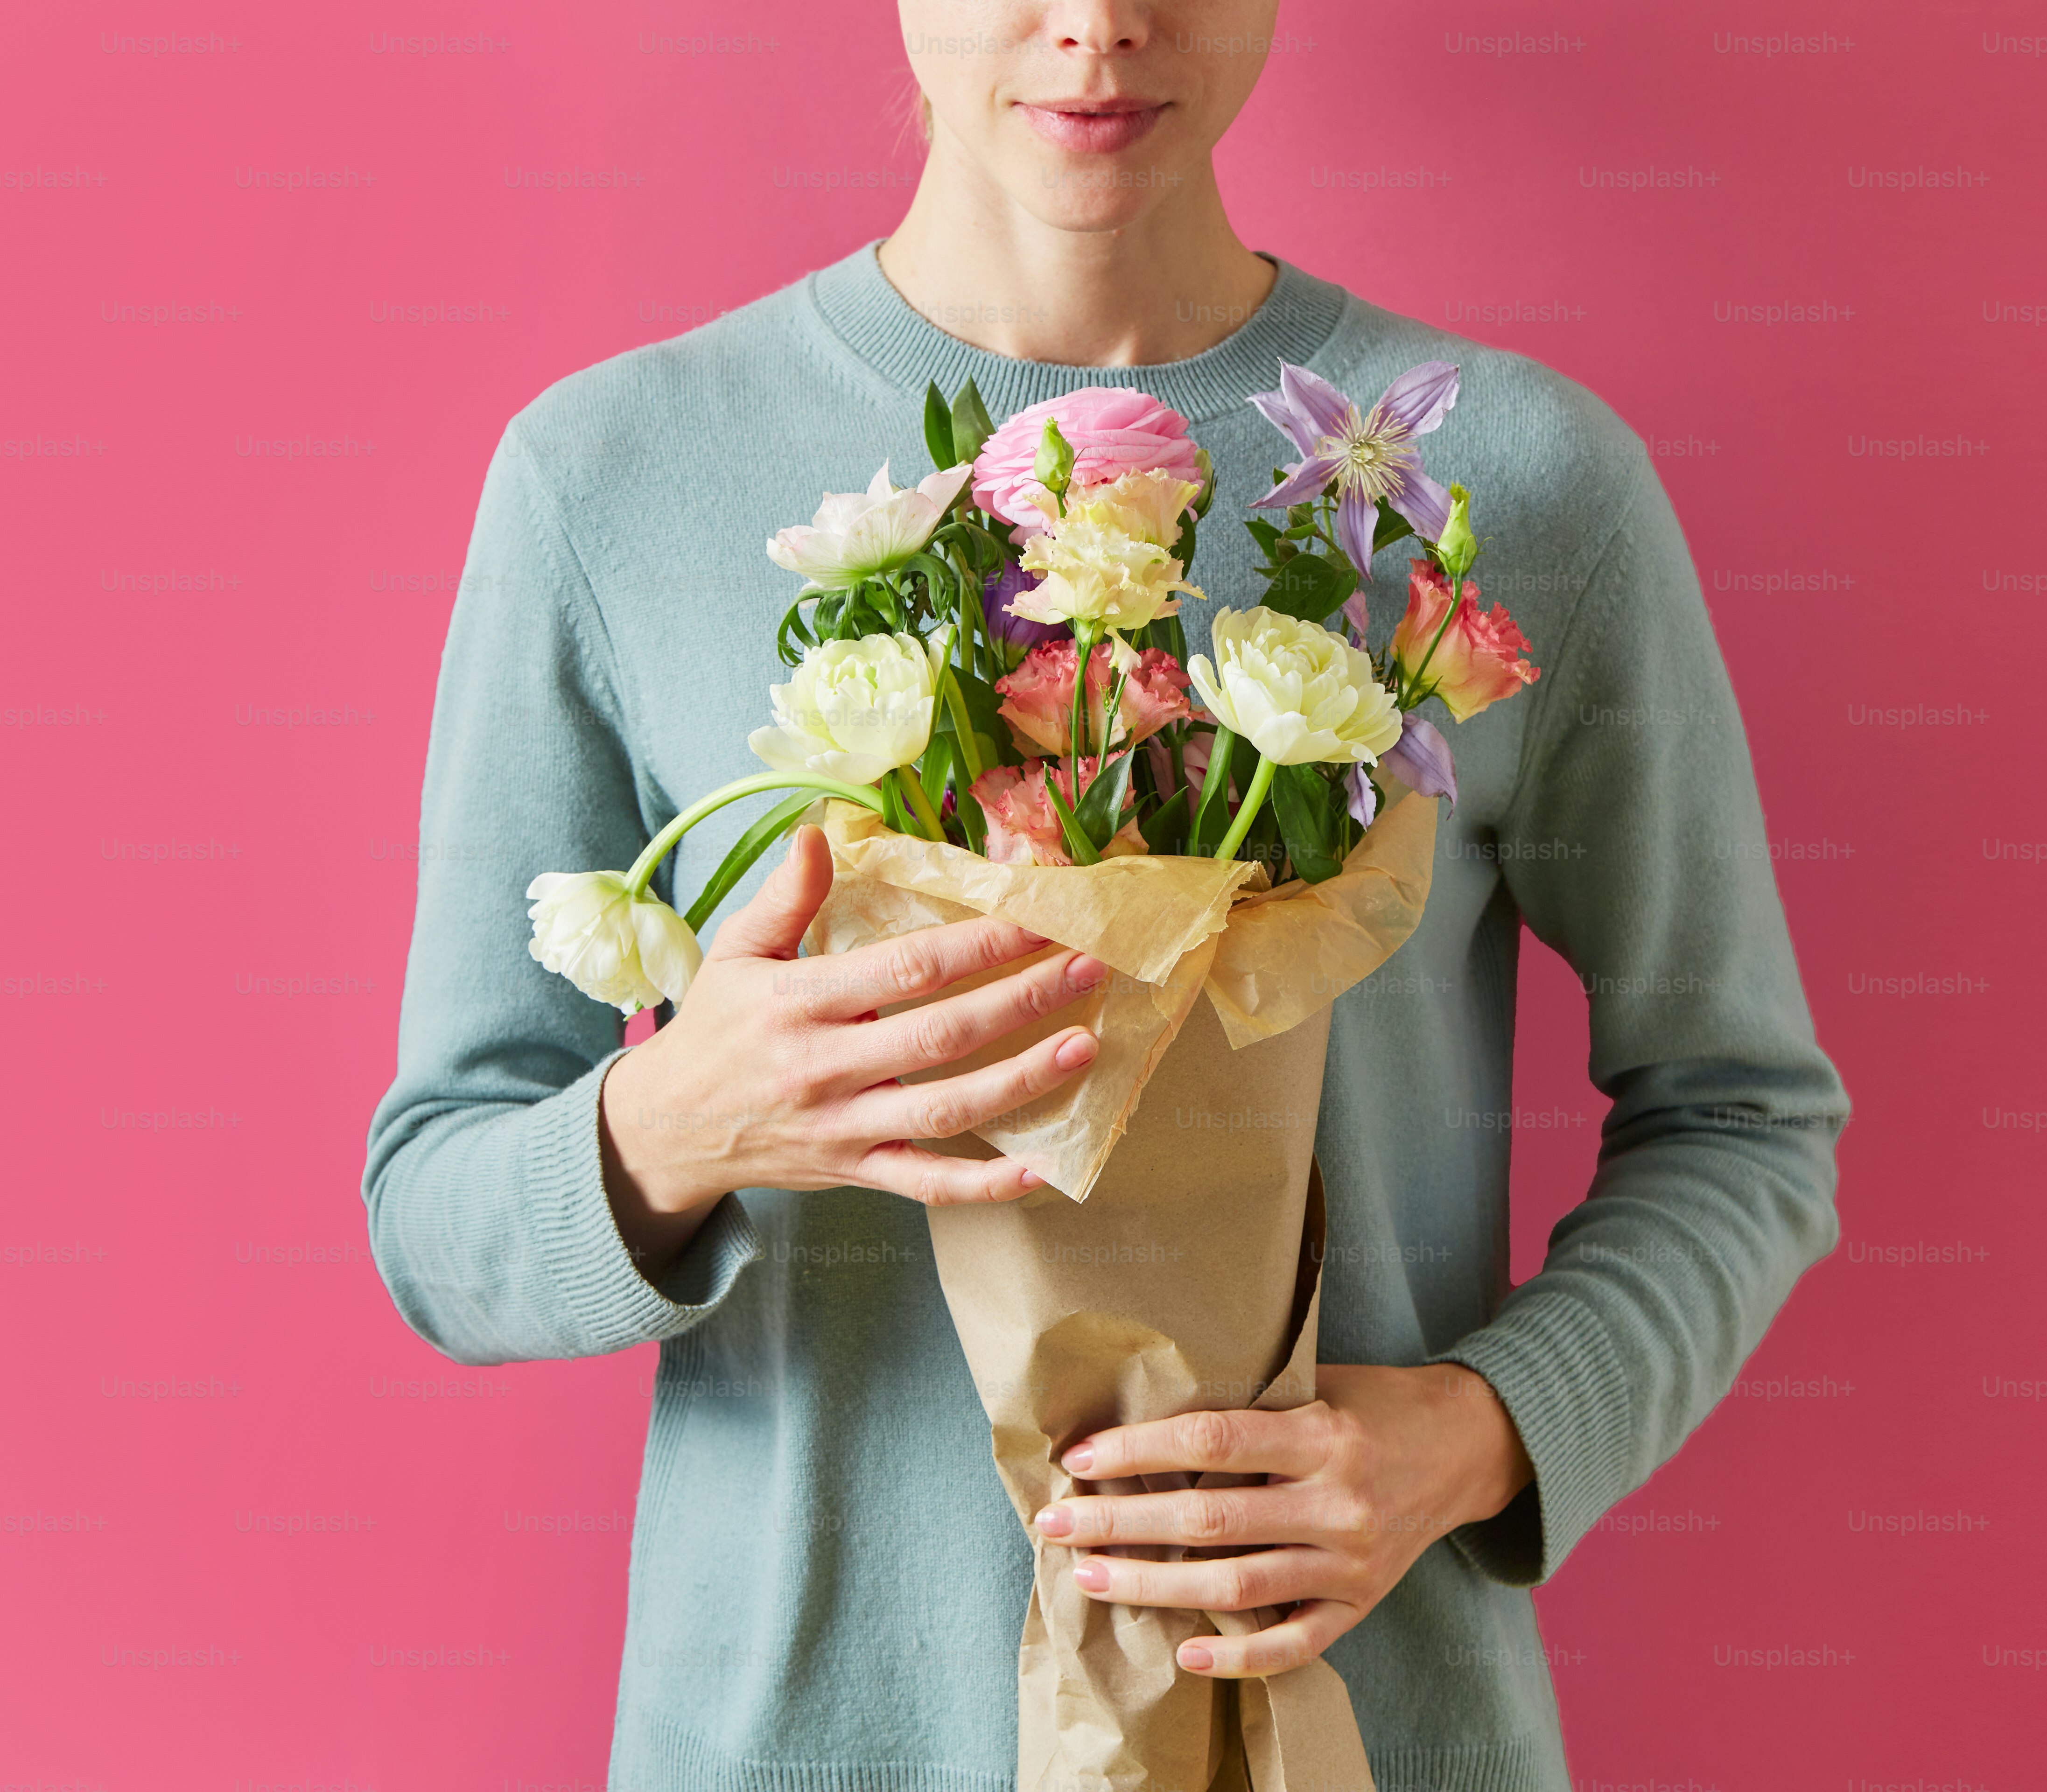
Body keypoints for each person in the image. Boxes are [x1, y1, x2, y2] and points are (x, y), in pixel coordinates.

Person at [363, 4, 1849, 1786]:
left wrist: (1473, 1436)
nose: (1097, 25)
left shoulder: (1524, 486)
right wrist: (676, 1121)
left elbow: (1746, 1118)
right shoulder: (605, 478)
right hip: (805, 1730)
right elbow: (438, 1216)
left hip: (1354, 1717)